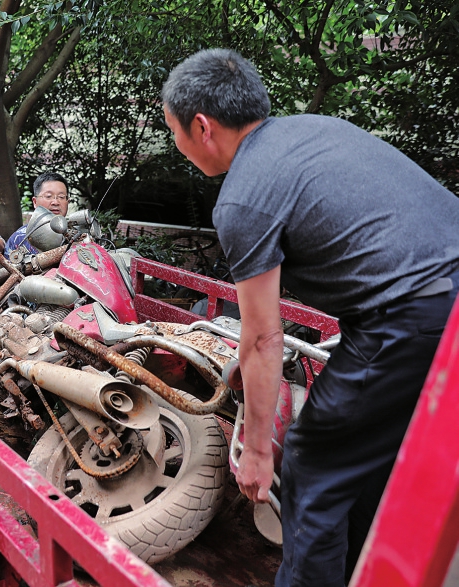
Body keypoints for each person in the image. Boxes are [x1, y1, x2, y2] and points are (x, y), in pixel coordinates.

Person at [161, 48, 459, 587]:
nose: (177, 147)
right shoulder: (317, 129)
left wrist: (255, 451)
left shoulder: (243, 197)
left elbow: (262, 338)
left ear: (201, 126)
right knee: (368, 455)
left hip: (414, 314)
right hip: (438, 303)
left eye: (174, 132)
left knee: (312, 462)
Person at [4, 171, 70, 257]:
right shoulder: (19, 239)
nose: (56, 202)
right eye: (48, 196)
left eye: (61, 197)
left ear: (67, 202)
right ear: (35, 202)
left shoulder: (79, 236)